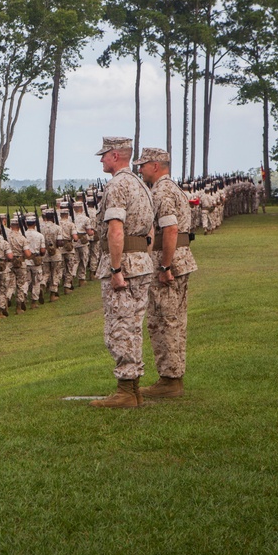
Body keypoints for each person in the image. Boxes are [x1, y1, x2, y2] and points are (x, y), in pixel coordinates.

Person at [90, 136, 154, 409]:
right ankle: (135, 388)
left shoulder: (117, 185)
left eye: (104, 155)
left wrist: (116, 269)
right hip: (140, 261)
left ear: (116, 155)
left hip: (124, 264)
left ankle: (125, 391)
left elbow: (116, 229)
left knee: (120, 328)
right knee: (133, 326)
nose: (101, 159)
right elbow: (151, 229)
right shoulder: (141, 184)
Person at [135, 148, 198, 398]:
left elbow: (170, 230)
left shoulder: (161, 190)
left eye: (143, 165)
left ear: (155, 165)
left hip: (169, 263)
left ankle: (170, 380)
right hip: (179, 260)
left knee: (164, 321)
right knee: (174, 320)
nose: (140, 170)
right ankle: (172, 377)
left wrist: (165, 266)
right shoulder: (172, 187)